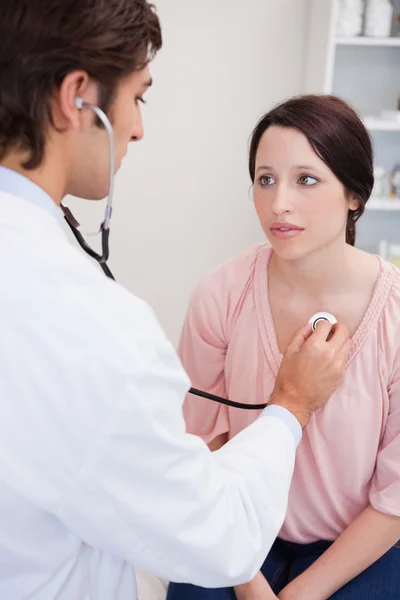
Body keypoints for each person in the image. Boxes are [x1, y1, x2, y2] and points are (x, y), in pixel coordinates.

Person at [0, 3, 351, 599]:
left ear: (355, 195)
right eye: (139, 97)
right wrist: (290, 407)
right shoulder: (98, 322)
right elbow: (217, 535)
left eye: (307, 179)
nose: (139, 128)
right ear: (77, 97)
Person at [166, 94, 400, 600]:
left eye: (306, 180)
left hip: (361, 538)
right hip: (240, 525)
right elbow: (199, 446)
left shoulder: (396, 314)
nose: (279, 203)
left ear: (356, 194)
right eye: (265, 179)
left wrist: (302, 593)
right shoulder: (221, 294)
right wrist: (251, 585)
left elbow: (396, 496)